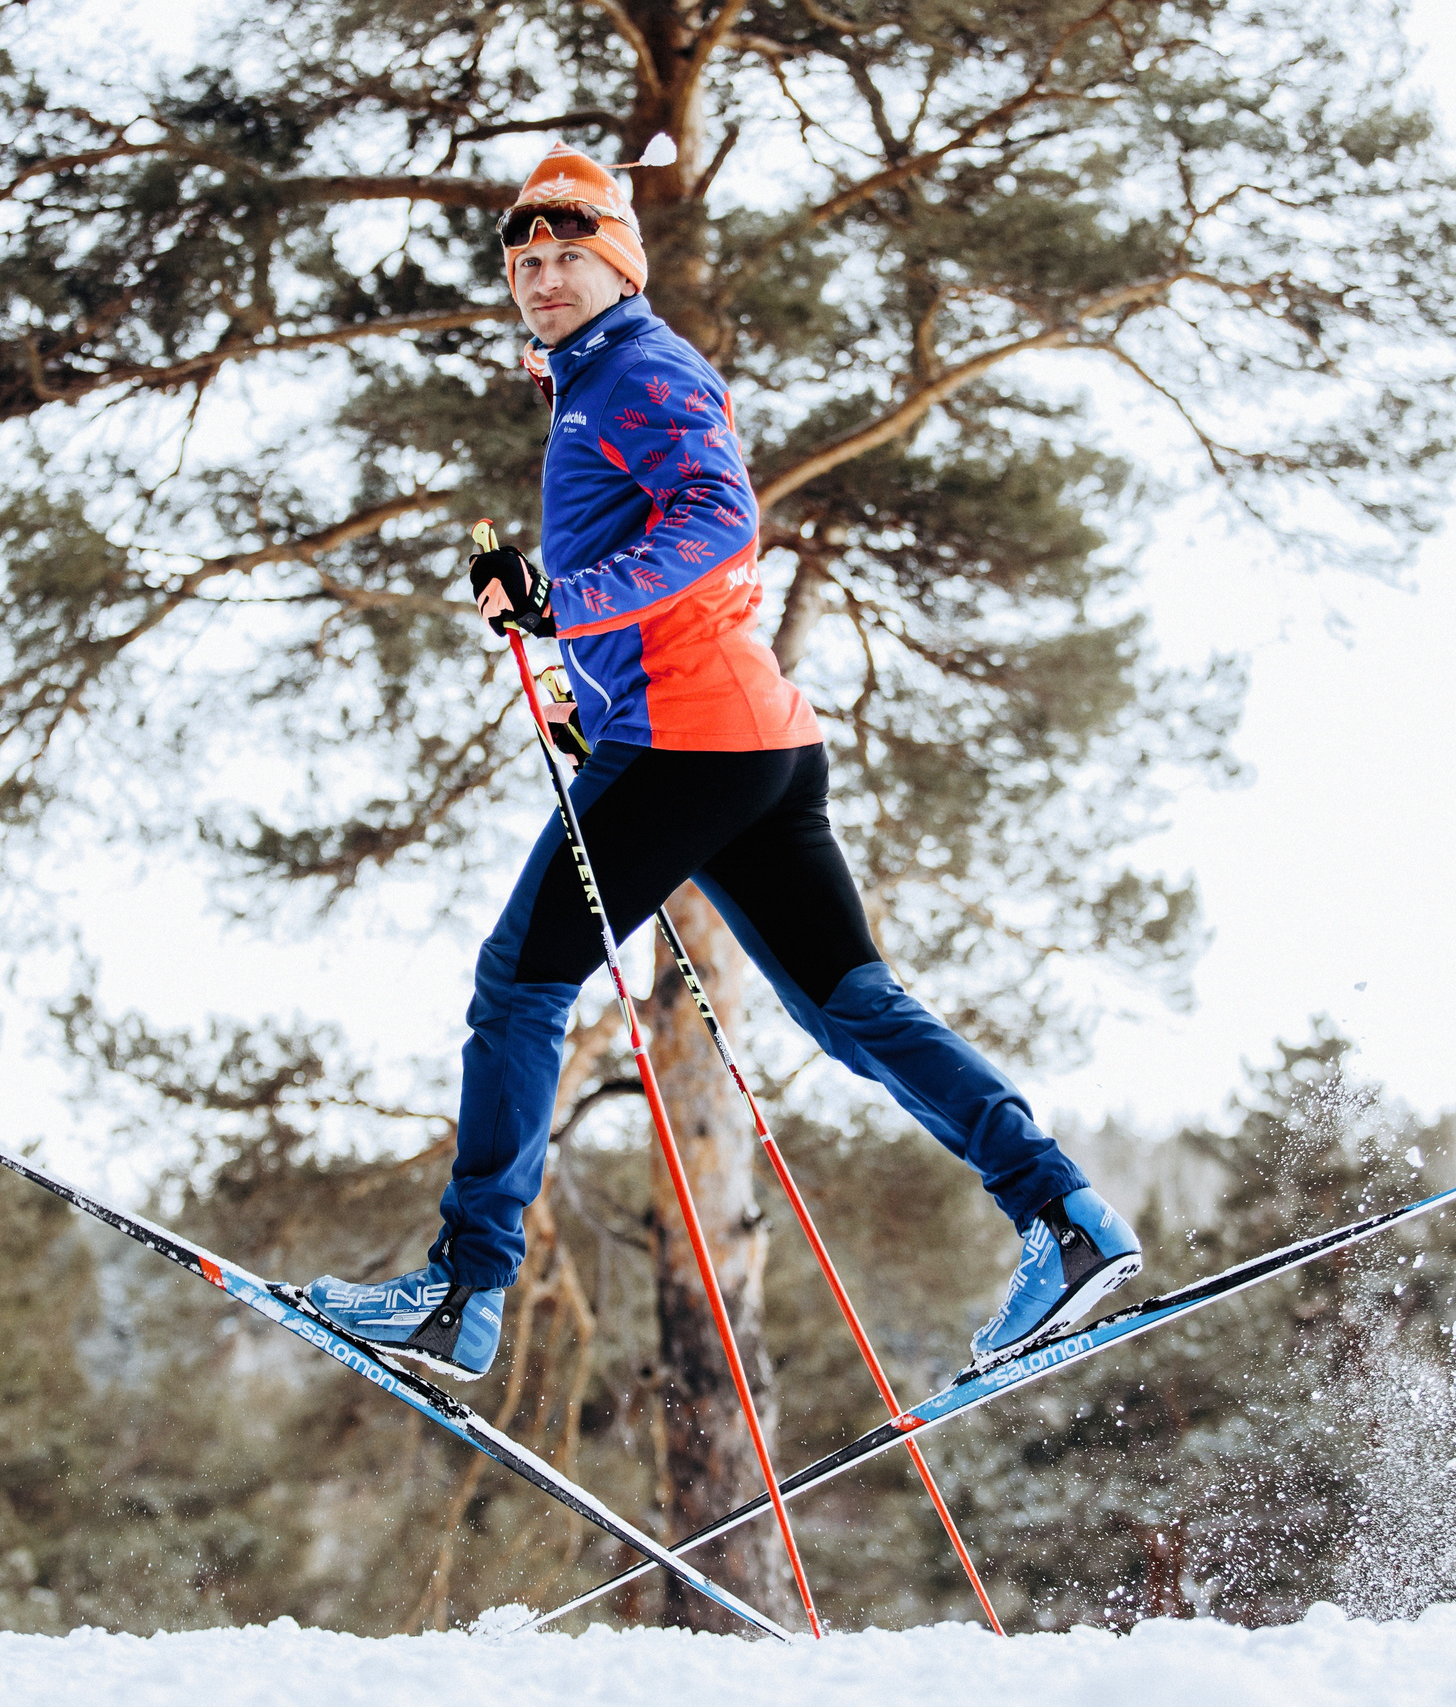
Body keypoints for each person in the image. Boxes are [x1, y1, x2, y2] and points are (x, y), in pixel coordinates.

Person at [308, 142, 1140, 1381]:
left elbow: (718, 517)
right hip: (742, 743)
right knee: (855, 1008)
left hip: (691, 741)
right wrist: (582, 671)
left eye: (566, 258)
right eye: (525, 263)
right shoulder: (592, 385)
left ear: (616, 265)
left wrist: (563, 604)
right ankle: (1065, 1221)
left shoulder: (636, 368)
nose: (541, 281)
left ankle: (463, 1292)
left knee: (519, 988)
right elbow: (677, 573)